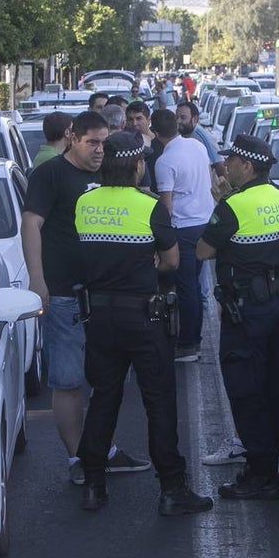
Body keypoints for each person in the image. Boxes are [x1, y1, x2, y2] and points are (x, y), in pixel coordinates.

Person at [73, 131, 214, 516]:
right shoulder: (149, 207)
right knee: (159, 403)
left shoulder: (84, 203)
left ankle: (93, 485)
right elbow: (171, 261)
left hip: (99, 317)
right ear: (137, 166)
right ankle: (172, 489)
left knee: (104, 398)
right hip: (144, 316)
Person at [23, 111, 149, 484]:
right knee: (67, 379)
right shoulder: (50, 175)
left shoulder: (108, 174)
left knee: (107, 378)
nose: (99, 150)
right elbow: (31, 223)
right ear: (71, 138)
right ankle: (78, 458)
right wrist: (37, 279)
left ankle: (102, 450)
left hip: (108, 294)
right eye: (91, 142)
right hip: (64, 294)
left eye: (104, 143)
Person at [197, 135, 279, 500]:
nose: (225, 165)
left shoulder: (232, 206)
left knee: (245, 389)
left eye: (231, 160)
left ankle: (260, 474)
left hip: (245, 312)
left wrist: (222, 200)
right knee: (274, 386)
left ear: (247, 166)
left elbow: (203, 250)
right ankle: (268, 467)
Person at [151, 110, 216, 364]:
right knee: (194, 286)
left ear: (155, 134)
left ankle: (189, 344)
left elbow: (166, 206)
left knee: (187, 287)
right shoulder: (197, 146)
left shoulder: (164, 163)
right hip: (204, 223)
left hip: (184, 228)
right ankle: (192, 339)